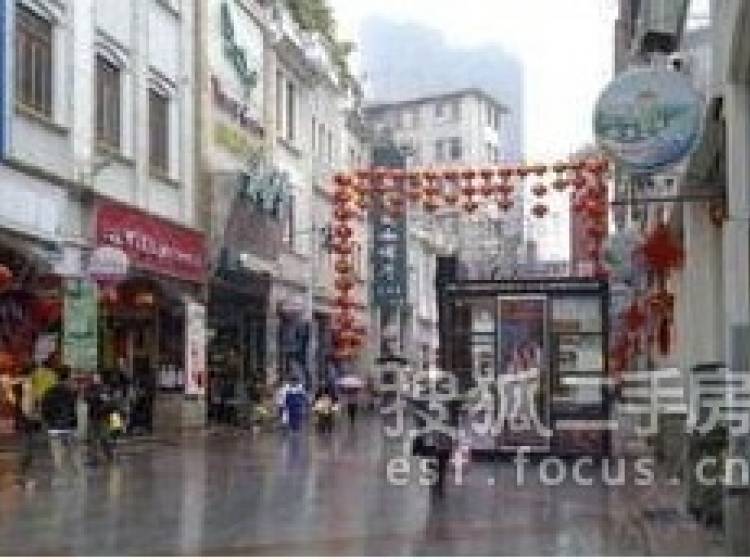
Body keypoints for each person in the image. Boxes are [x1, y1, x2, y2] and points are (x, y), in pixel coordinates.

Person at [41, 368, 79, 479]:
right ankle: (74, 470)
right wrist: (74, 423)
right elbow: (72, 409)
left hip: (54, 426)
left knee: (57, 450)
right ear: (67, 379)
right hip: (69, 426)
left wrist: (48, 421)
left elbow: (45, 410)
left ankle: (60, 471)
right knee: (72, 449)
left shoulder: (48, 392)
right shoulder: (70, 393)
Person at [85, 373, 117, 465]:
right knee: (93, 439)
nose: (94, 380)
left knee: (103, 438)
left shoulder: (104, 389)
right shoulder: (90, 389)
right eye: (93, 378)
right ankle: (94, 458)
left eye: (95, 378)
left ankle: (109, 455)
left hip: (102, 417)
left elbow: (107, 402)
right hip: (93, 416)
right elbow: (87, 399)